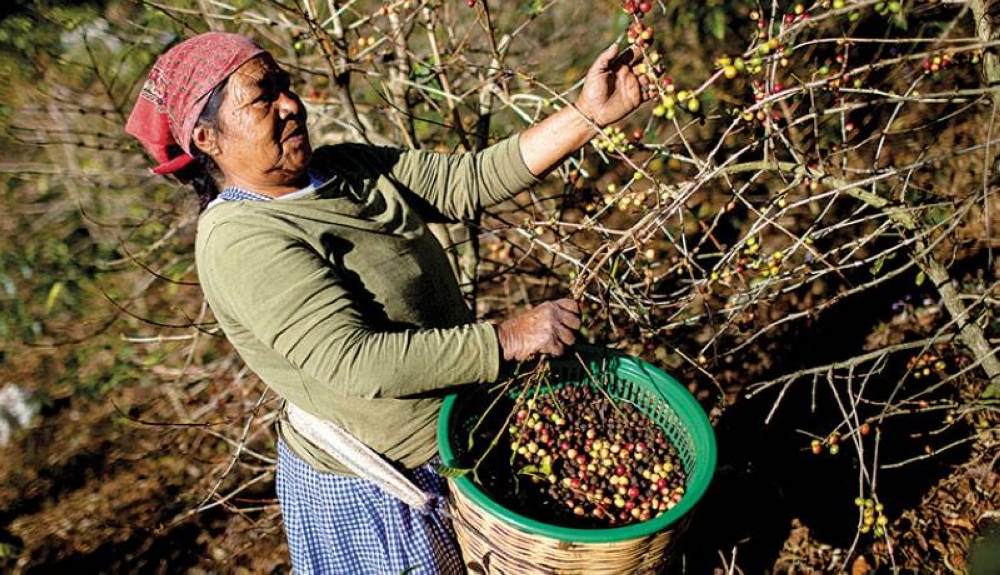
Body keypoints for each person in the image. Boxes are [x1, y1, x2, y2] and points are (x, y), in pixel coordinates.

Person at [126, 31, 648, 574]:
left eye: (285, 85)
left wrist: (587, 114)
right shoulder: (241, 240)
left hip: (456, 436)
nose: (291, 105)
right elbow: (356, 360)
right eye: (262, 97)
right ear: (207, 137)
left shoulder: (343, 168)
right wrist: (508, 339)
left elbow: (468, 181)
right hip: (384, 489)